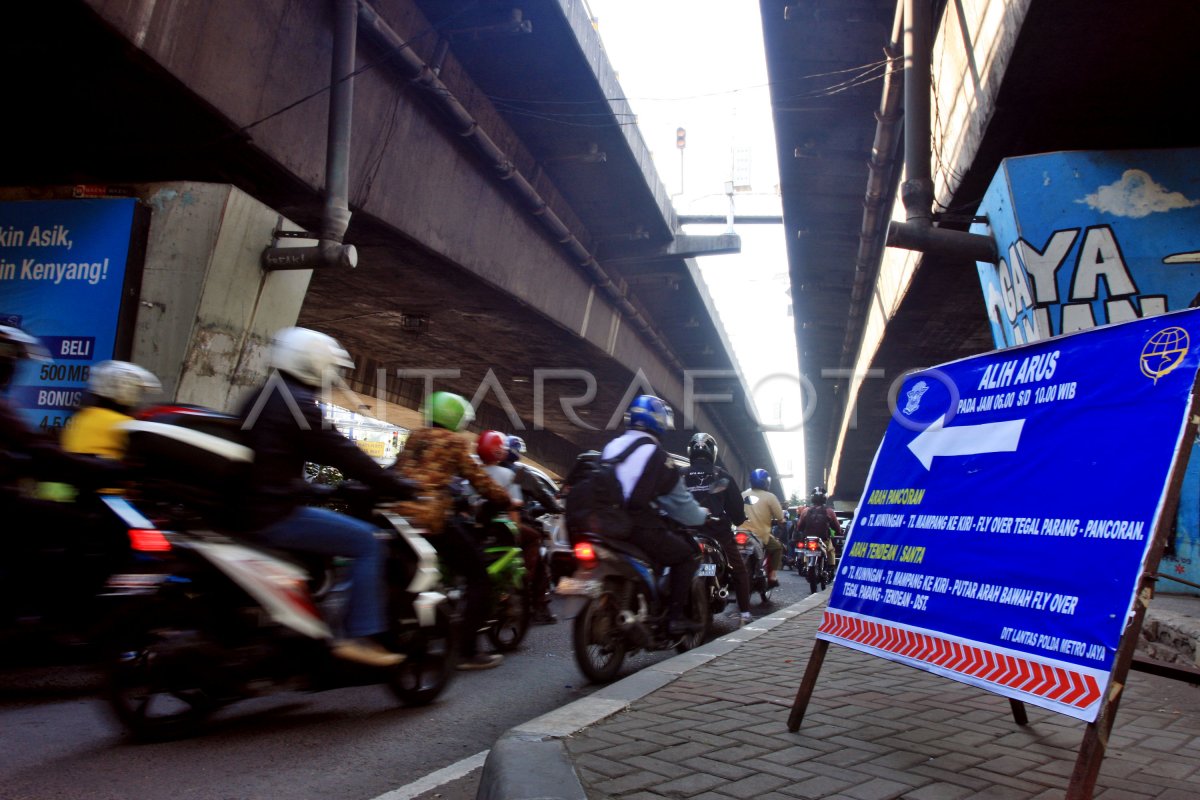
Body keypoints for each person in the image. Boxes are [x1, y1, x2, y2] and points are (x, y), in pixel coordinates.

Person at [237, 327, 416, 669]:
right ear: (316, 364)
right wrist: (395, 485)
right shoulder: (299, 404)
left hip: (249, 508)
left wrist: (317, 488)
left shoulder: (261, 396)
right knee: (368, 542)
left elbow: (267, 461)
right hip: (275, 515)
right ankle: (356, 635)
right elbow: (344, 453)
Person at [391, 392, 513, 670]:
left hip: (398, 517)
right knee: (478, 576)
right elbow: (479, 479)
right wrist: (503, 499)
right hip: (432, 519)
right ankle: (468, 650)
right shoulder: (454, 442)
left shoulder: (416, 437)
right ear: (455, 418)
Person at [601, 394, 707, 636]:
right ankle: (675, 618)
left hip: (603, 524)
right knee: (686, 556)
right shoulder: (657, 455)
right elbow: (680, 504)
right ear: (658, 422)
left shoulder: (611, 447)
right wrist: (700, 516)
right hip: (636, 527)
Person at [683, 432, 753, 627]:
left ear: (690, 452)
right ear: (713, 452)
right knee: (739, 570)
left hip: (686, 534)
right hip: (717, 533)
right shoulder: (722, 476)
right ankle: (745, 614)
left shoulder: (680, 475)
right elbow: (737, 511)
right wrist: (737, 519)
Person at [502, 434, 559, 624]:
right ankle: (532, 594)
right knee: (538, 551)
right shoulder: (522, 474)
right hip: (514, 525)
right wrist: (557, 507)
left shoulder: (484, 469)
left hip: (486, 526)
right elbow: (544, 496)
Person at [61, 360, 161, 460]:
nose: (138, 397)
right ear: (125, 389)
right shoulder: (120, 422)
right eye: (137, 391)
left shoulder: (82, 416)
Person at [741, 468, 785, 589]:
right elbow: (780, 517)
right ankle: (772, 575)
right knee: (777, 547)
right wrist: (781, 521)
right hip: (760, 534)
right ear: (766, 482)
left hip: (740, 533)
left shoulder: (743, 494)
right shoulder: (770, 497)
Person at [799, 487, 841, 568]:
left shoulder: (805, 511)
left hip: (808, 538)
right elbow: (836, 526)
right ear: (825, 498)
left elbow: (799, 526)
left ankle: (805, 563)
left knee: (807, 549)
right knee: (831, 550)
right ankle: (831, 568)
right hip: (824, 540)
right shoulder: (829, 511)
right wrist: (839, 532)